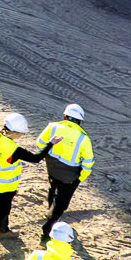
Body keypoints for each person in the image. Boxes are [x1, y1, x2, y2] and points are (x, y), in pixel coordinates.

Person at [25, 104, 93, 243]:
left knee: (53, 188)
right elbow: (88, 163)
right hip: (70, 176)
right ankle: (47, 228)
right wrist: (80, 178)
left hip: (52, 168)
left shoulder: (53, 127)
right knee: (61, 204)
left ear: (65, 116)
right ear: (80, 121)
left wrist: (50, 156)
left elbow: (40, 144)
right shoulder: (83, 139)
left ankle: (50, 210)